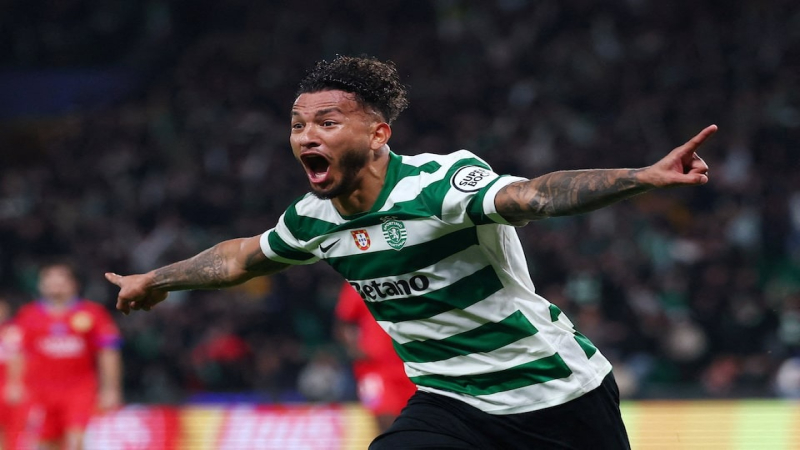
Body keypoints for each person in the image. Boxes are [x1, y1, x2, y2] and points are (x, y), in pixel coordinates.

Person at [106, 55, 715, 449]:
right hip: (451, 405)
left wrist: (642, 176)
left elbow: (532, 195)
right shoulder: (313, 218)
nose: (307, 135)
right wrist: (155, 279)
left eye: (326, 122)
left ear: (378, 134)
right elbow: (241, 258)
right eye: (297, 125)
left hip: (556, 396)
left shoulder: (436, 184)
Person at [8, 262, 123, 450]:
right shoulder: (28, 315)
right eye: (49, 279)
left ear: (74, 283)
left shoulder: (93, 313)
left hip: (79, 390)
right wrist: (15, 383)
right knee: (45, 444)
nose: (55, 284)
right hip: (39, 392)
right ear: (41, 284)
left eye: (61, 280)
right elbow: (18, 351)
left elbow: (108, 352)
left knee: (76, 440)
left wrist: (110, 389)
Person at [335, 282, 417, 433]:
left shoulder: (413, 277)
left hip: (411, 362)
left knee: (417, 417)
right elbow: (344, 321)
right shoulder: (360, 279)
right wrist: (355, 348)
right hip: (374, 367)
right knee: (385, 418)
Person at [0, 296, 26, 450]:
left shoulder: (13, 331)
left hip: (6, 385)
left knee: (12, 429)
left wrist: (15, 384)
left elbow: (18, 357)